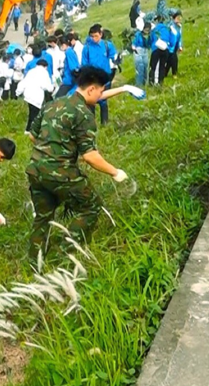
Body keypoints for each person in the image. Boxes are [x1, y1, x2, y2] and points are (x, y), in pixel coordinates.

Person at [27, 66, 133, 258]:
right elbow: (90, 156)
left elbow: (32, 136)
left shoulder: (54, 103)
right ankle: (65, 256)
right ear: (91, 89)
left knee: (43, 217)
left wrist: (52, 148)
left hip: (35, 168)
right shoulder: (84, 114)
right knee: (91, 207)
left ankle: (36, 261)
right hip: (60, 171)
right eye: (100, 91)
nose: (100, 96)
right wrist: (115, 172)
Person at [80, 24, 118, 125]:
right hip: (92, 80)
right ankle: (92, 125)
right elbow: (84, 65)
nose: (94, 38)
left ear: (101, 34)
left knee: (103, 102)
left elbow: (114, 58)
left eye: (96, 36)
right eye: (92, 36)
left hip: (105, 79)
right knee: (91, 103)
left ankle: (104, 124)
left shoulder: (107, 45)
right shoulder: (87, 48)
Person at [17, 59, 54, 135]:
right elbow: (46, 86)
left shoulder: (31, 71)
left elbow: (24, 82)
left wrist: (18, 92)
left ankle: (30, 130)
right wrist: (52, 88)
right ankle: (30, 131)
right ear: (45, 66)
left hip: (28, 95)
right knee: (35, 115)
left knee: (32, 113)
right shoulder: (44, 73)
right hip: (37, 96)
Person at [149, 15, 175, 86]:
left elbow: (150, 39)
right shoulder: (168, 29)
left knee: (153, 66)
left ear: (156, 21)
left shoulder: (154, 30)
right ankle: (161, 82)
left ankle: (152, 82)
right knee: (162, 66)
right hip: (165, 48)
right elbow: (172, 42)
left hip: (156, 48)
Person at [132, 22, 153, 86]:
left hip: (145, 51)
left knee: (145, 67)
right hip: (138, 50)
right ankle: (139, 84)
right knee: (139, 67)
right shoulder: (138, 34)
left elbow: (150, 43)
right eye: (146, 29)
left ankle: (144, 82)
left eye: (148, 30)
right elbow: (134, 42)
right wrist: (133, 46)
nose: (147, 31)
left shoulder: (149, 35)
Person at [167, 9, 183, 79]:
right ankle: (174, 74)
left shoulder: (179, 27)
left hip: (175, 47)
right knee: (174, 60)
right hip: (169, 47)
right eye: (177, 18)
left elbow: (180, 37)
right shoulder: (170, 26)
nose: (179, 19)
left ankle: (164, 73)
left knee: (169, 62)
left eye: (180, 17)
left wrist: (180, 46)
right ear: (174, 18)